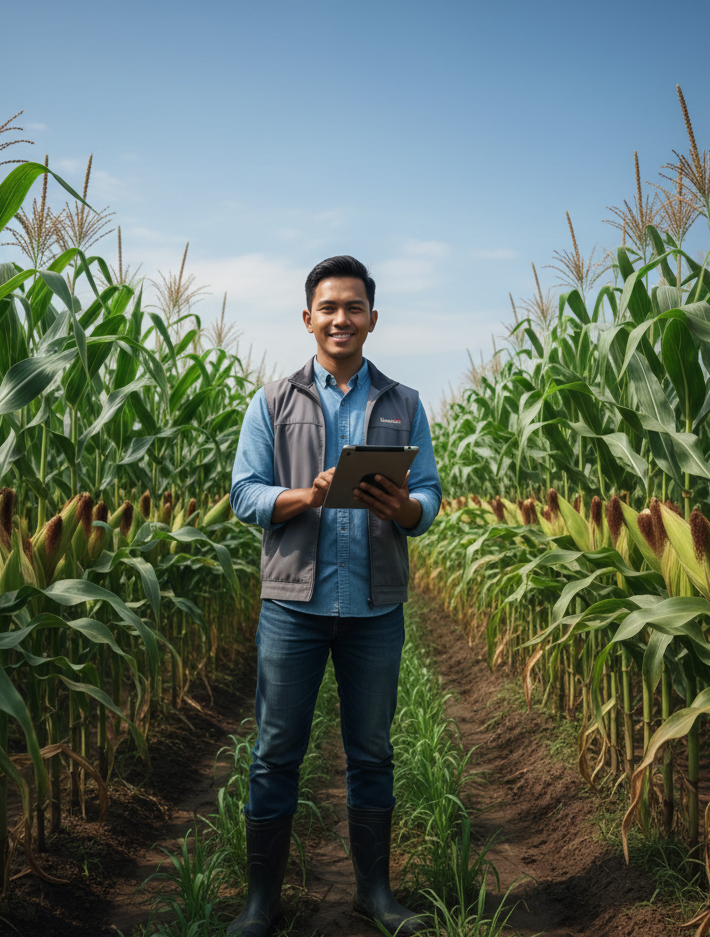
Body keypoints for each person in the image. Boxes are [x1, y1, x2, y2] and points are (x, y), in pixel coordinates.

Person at [229, 255, 442, 936]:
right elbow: (244, 492)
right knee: (275, 752)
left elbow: (431, 496)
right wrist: (305, 495)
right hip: (293, 605)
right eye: (329, 307)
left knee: (372, 751)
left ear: (372, 319)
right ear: (308, 318)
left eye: (353, 307)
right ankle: (262, 902)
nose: (341, 318)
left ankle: (374, 894)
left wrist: (403, 508)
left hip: (375, 605)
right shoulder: (272, 401)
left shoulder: (404, 403)